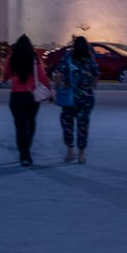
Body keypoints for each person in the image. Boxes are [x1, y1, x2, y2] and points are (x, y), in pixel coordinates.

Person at [3, 34, 51, 166]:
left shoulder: (11, 58)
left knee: (20, 127)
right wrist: (50, 90)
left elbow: (5, 75)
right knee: (31, 123)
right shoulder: (34, 58)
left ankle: (23, 153)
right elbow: (42, 76)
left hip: (16, 97)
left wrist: (6, 78)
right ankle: (26, 151)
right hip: (31, 97)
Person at [54, 35, 99, 164]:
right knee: (83, 125)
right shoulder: (90, 58)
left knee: (68, 124)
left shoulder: (68, 57)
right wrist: (92, 87)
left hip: (70, 97)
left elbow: (58, 74)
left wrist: (58, 89)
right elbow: (96, 76)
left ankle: (69, 152)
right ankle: (81, 154)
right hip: (86, 97)